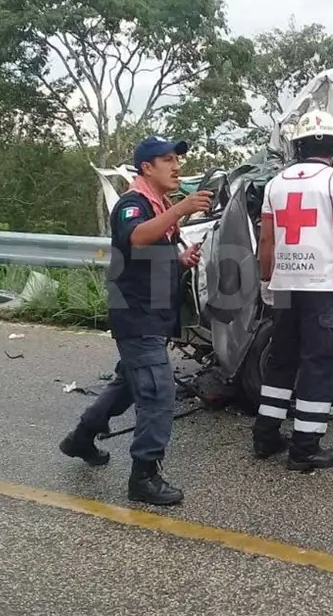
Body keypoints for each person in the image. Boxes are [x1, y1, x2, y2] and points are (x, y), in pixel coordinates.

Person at [58, 135, 213, 506]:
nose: (176, 166)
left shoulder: (156, 204)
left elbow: (150, 252)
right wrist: (182, 210)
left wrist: (179, 260)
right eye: (167, 160)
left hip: (153, 311)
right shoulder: (133, 203)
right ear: (147, 167)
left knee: (129, 383)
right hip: (136, 314)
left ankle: (82, 436)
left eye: (177, 158)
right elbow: (136, 239)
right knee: (159, 391)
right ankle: (144, 475)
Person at [252, 109, 333, 471]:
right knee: (319, 365)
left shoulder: (276, 184)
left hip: (286, 286)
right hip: (322, 285)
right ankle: (305, 448)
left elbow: (266, 240)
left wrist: (265, 280)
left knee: (281, 362)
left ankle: (266, 435)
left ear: (299, 146)